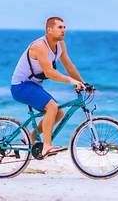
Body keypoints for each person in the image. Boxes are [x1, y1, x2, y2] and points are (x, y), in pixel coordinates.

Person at [10, 16, 85, 157]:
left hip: (33, 86)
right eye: (59, 27)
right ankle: (47, 146)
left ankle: (29, 138)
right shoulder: (40, 46)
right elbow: (49, 73)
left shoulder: (60, 45)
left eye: (64, 27)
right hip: (20, 86)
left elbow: (68, 66)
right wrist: (71, 81)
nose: (63, 30)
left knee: (59, 112)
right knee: (52, 107)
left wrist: (82, 82)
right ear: (49, 30)